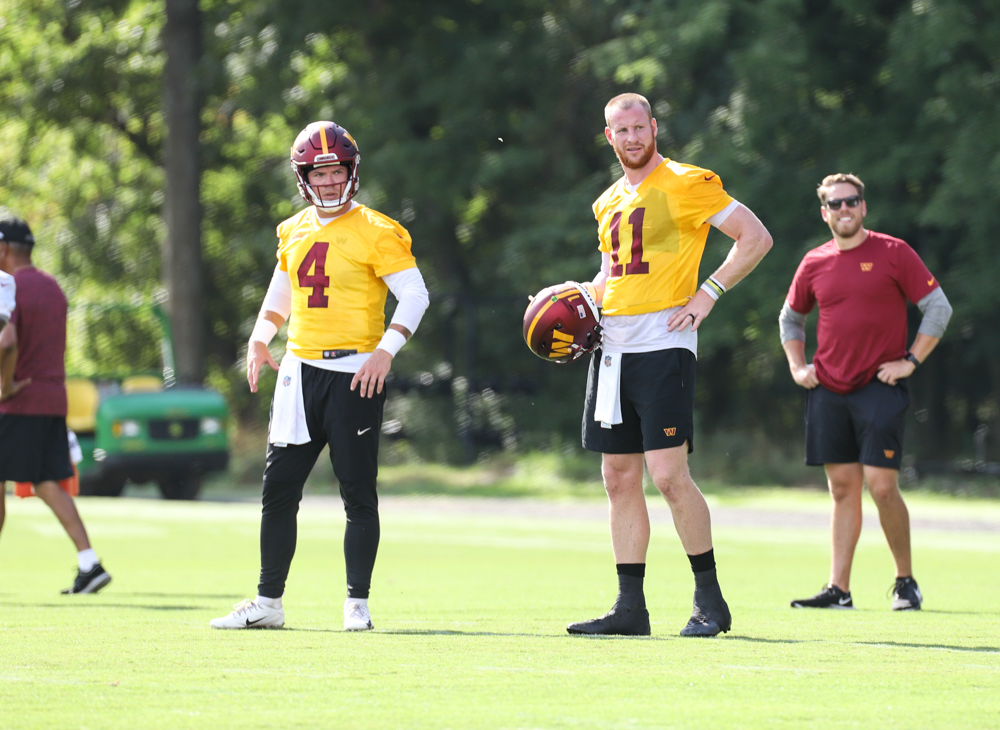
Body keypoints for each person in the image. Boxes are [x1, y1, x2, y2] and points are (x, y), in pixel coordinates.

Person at [567, 93, 772, 637]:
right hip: (612, 348)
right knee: (617, 478)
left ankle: (710, 601)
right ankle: (630, 608)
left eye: (639, 127)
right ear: (608, 137)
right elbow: (612, 270)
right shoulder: (606, 201)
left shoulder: (689, 181)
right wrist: (583, 301)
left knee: (668, 475)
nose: (632, 138)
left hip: (664, 342)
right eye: (621, 130)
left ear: (654, 127)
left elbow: (756, 237)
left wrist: (709, 292)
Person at [211, 121, 429, 631]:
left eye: (336, 171)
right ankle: (268, 603)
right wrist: (260, 336)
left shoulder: (377, 229)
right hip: (299, 371)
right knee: (279, 488)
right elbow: (282, 291)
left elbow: (416, 295)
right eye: (319, 172)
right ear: (303, 176)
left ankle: (357, 603)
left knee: (357, 489)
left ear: (351, 171)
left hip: (356, 371)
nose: (329, 181)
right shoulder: (293, 228)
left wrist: (385, 351)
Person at [781, 173, 951, 611]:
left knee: (881, 486)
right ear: (825, 213)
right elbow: (791, 318)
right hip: (828, 388)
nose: (844, 210)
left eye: (851, 202)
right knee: (841, 488)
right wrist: (798, 366)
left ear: (863, 207)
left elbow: (938, 308)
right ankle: (839, 590)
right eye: (835, 204)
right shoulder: (814, 262)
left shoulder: (894, 252)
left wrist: (910, 361)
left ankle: (905, 582)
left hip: (879, 385)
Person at [0, 217, 112, 594]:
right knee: (48, 482)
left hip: (16, 403)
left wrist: (5, 384)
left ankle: (89, 564)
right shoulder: (52, 286)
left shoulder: (9, 286)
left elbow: (7, 341)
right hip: (52, 401)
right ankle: (89, 564)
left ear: (3, 249)